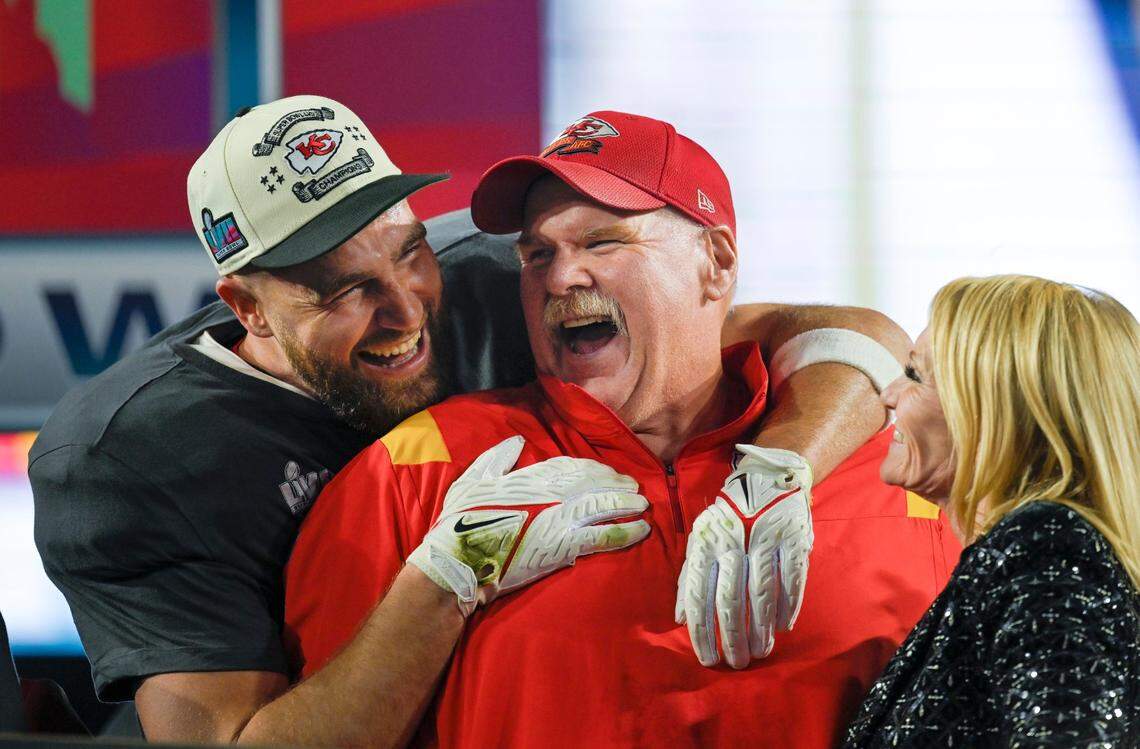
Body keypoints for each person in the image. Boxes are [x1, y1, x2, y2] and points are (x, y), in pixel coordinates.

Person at [30, 96, 911, 745]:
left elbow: (828, 335)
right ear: (248, 307)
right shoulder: (124, 457)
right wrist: (452, 573)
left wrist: (783, 467)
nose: (407, 308)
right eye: (343, 288)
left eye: (409, 248)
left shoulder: (502, 271)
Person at [284, 110, 961, 748]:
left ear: (717, 263)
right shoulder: (415, 472)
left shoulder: (894, 466)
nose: (560, 277)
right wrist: (440, 580)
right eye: (536, 256)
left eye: (602, 240)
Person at [845, 275, 1140, 748]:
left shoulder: (1045, 549)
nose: (889, 396)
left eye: (916, 376)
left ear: (991, 410)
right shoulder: (1027, 553)